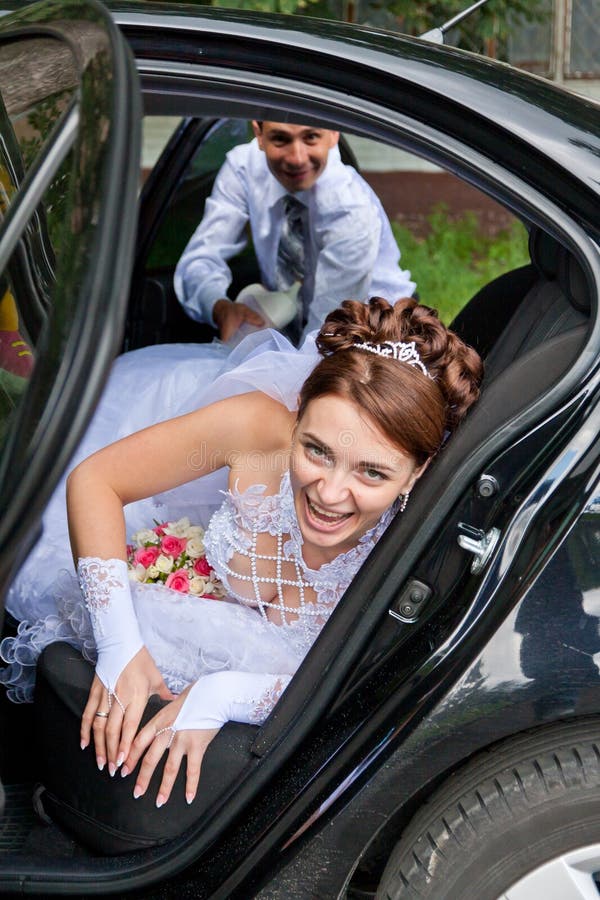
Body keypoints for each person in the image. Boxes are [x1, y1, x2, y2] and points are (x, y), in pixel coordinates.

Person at [0, 297, 482, 812]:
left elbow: (371, 686)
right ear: (296, 419)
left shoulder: (423, 532)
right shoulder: (255, 430)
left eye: (372, 473)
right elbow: (96, 479)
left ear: (419, 471)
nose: (330, 493)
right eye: (316, 451)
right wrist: (120, 646)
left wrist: (224, 695)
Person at [174, 122, 416, 343]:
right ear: (258, 133)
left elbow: (326, 332)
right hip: (292, 335)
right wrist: (220, 307)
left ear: (333, 133)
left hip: (374, 334)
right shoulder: (242, 169)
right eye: (281, 139)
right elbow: (201, 260)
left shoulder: (350, 208)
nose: (297, 158)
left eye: (310, 137)